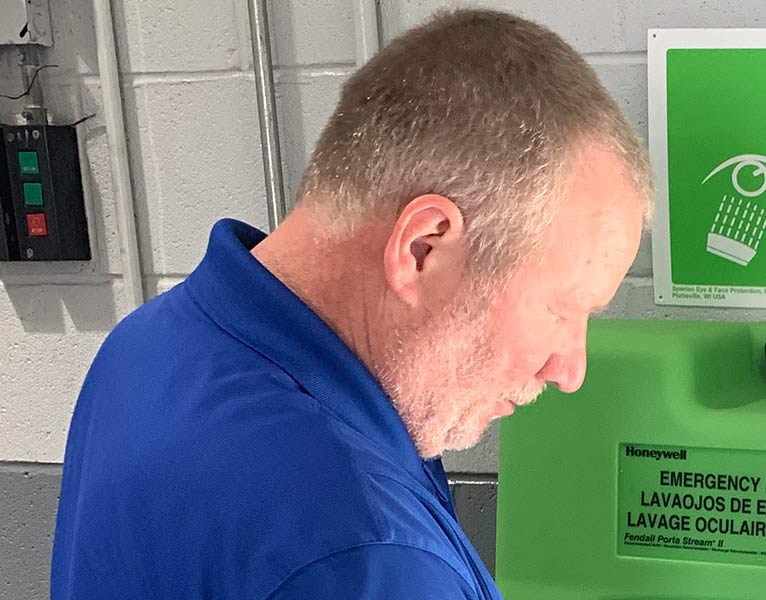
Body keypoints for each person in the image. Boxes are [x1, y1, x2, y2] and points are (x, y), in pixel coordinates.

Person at [50, 9, 648, 599]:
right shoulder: (364, 554)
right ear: (423, 247)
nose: (569, 370)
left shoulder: (151, 342)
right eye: (564, 310)